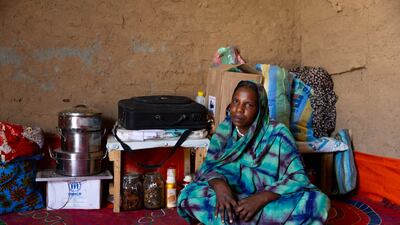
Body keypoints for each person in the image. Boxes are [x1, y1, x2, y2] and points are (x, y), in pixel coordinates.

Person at [177, 80, 330, 224]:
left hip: (267, 199)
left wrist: (260, 199)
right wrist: (220, 187)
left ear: (260, 109)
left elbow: (298, 177)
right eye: (236, 101)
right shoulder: (225, 130)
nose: (239, 109)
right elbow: (209, 167)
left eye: (248, 105)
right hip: (232, 196)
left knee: (317, 202)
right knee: (189, 194)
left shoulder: (277, 133)